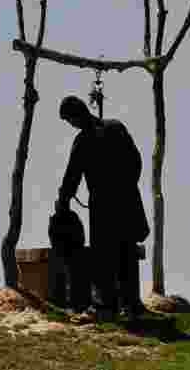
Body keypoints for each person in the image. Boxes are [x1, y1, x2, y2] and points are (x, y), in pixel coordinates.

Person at [56, 95, 150, 322]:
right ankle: (130, 305)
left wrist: (63, 200)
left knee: (104, 256)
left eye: (70, 121)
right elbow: (136, 161)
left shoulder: (83, 140)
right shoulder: (116, 127)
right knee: (126, 252)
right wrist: (126, 186)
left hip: (103, 206)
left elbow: (72, 177)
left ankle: (105, 307)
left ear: (74, 118)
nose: (72, 126)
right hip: (127, 200)